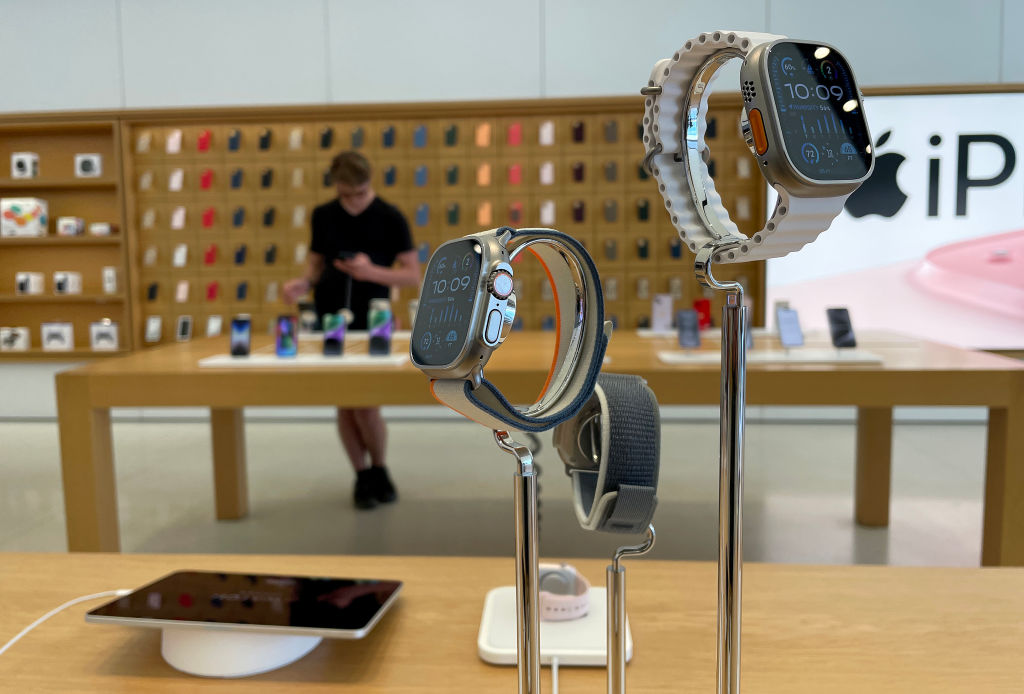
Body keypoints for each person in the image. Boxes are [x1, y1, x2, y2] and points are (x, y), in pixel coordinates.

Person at [284, 151, 420, 510]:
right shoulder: (323, 215)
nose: (354, 202)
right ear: (337, 188)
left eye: (360, 194)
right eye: (347, 195)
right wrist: (301, 284)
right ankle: (361, 475)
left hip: (373, 316)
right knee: (345, 406)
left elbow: (411, 275)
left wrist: (370, 271)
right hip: (330, 314)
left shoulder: (390, 217)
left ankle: (379, 467)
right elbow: (314, 265)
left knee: (367, 406)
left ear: (369, 183)